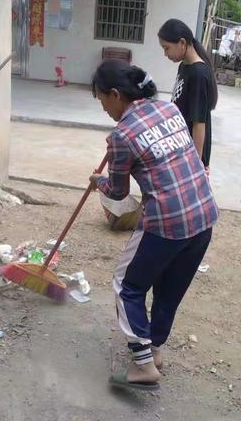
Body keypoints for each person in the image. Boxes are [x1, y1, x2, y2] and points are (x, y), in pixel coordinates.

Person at [89, 60, 219, 391]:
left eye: (102, 100)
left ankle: (144, 367)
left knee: (126, 285)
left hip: (167, 221)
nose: (104, 108)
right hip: (204, 215)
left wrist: (99, 182)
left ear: (115, 95)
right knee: (168, 289)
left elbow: (118, 194)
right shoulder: (170, 110)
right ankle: (155, 351)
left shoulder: (121, 135)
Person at [158, 19, 218, 172]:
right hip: (180, 146)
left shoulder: (198, 74)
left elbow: (199, 123)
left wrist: (196, 164)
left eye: (167, 48)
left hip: (191, 153)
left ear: (182, 43)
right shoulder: (184, 66)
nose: (165, 54)